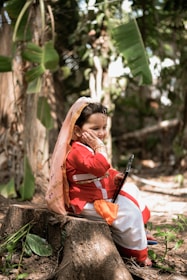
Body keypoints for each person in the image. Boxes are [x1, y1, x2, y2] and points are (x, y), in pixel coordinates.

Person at [46, 96, 155, 266]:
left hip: (99, 196)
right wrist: (100, 148)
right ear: (77, 131)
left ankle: (141, 230)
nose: (102, 133)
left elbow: (105, 171)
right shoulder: (76, 152)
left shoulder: (88, 148)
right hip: (87, 203)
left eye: (104, 127)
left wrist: (115, 177)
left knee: (132, 190)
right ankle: (137, 255)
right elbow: (98, 167)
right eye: (95, 128)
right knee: (128, 213)